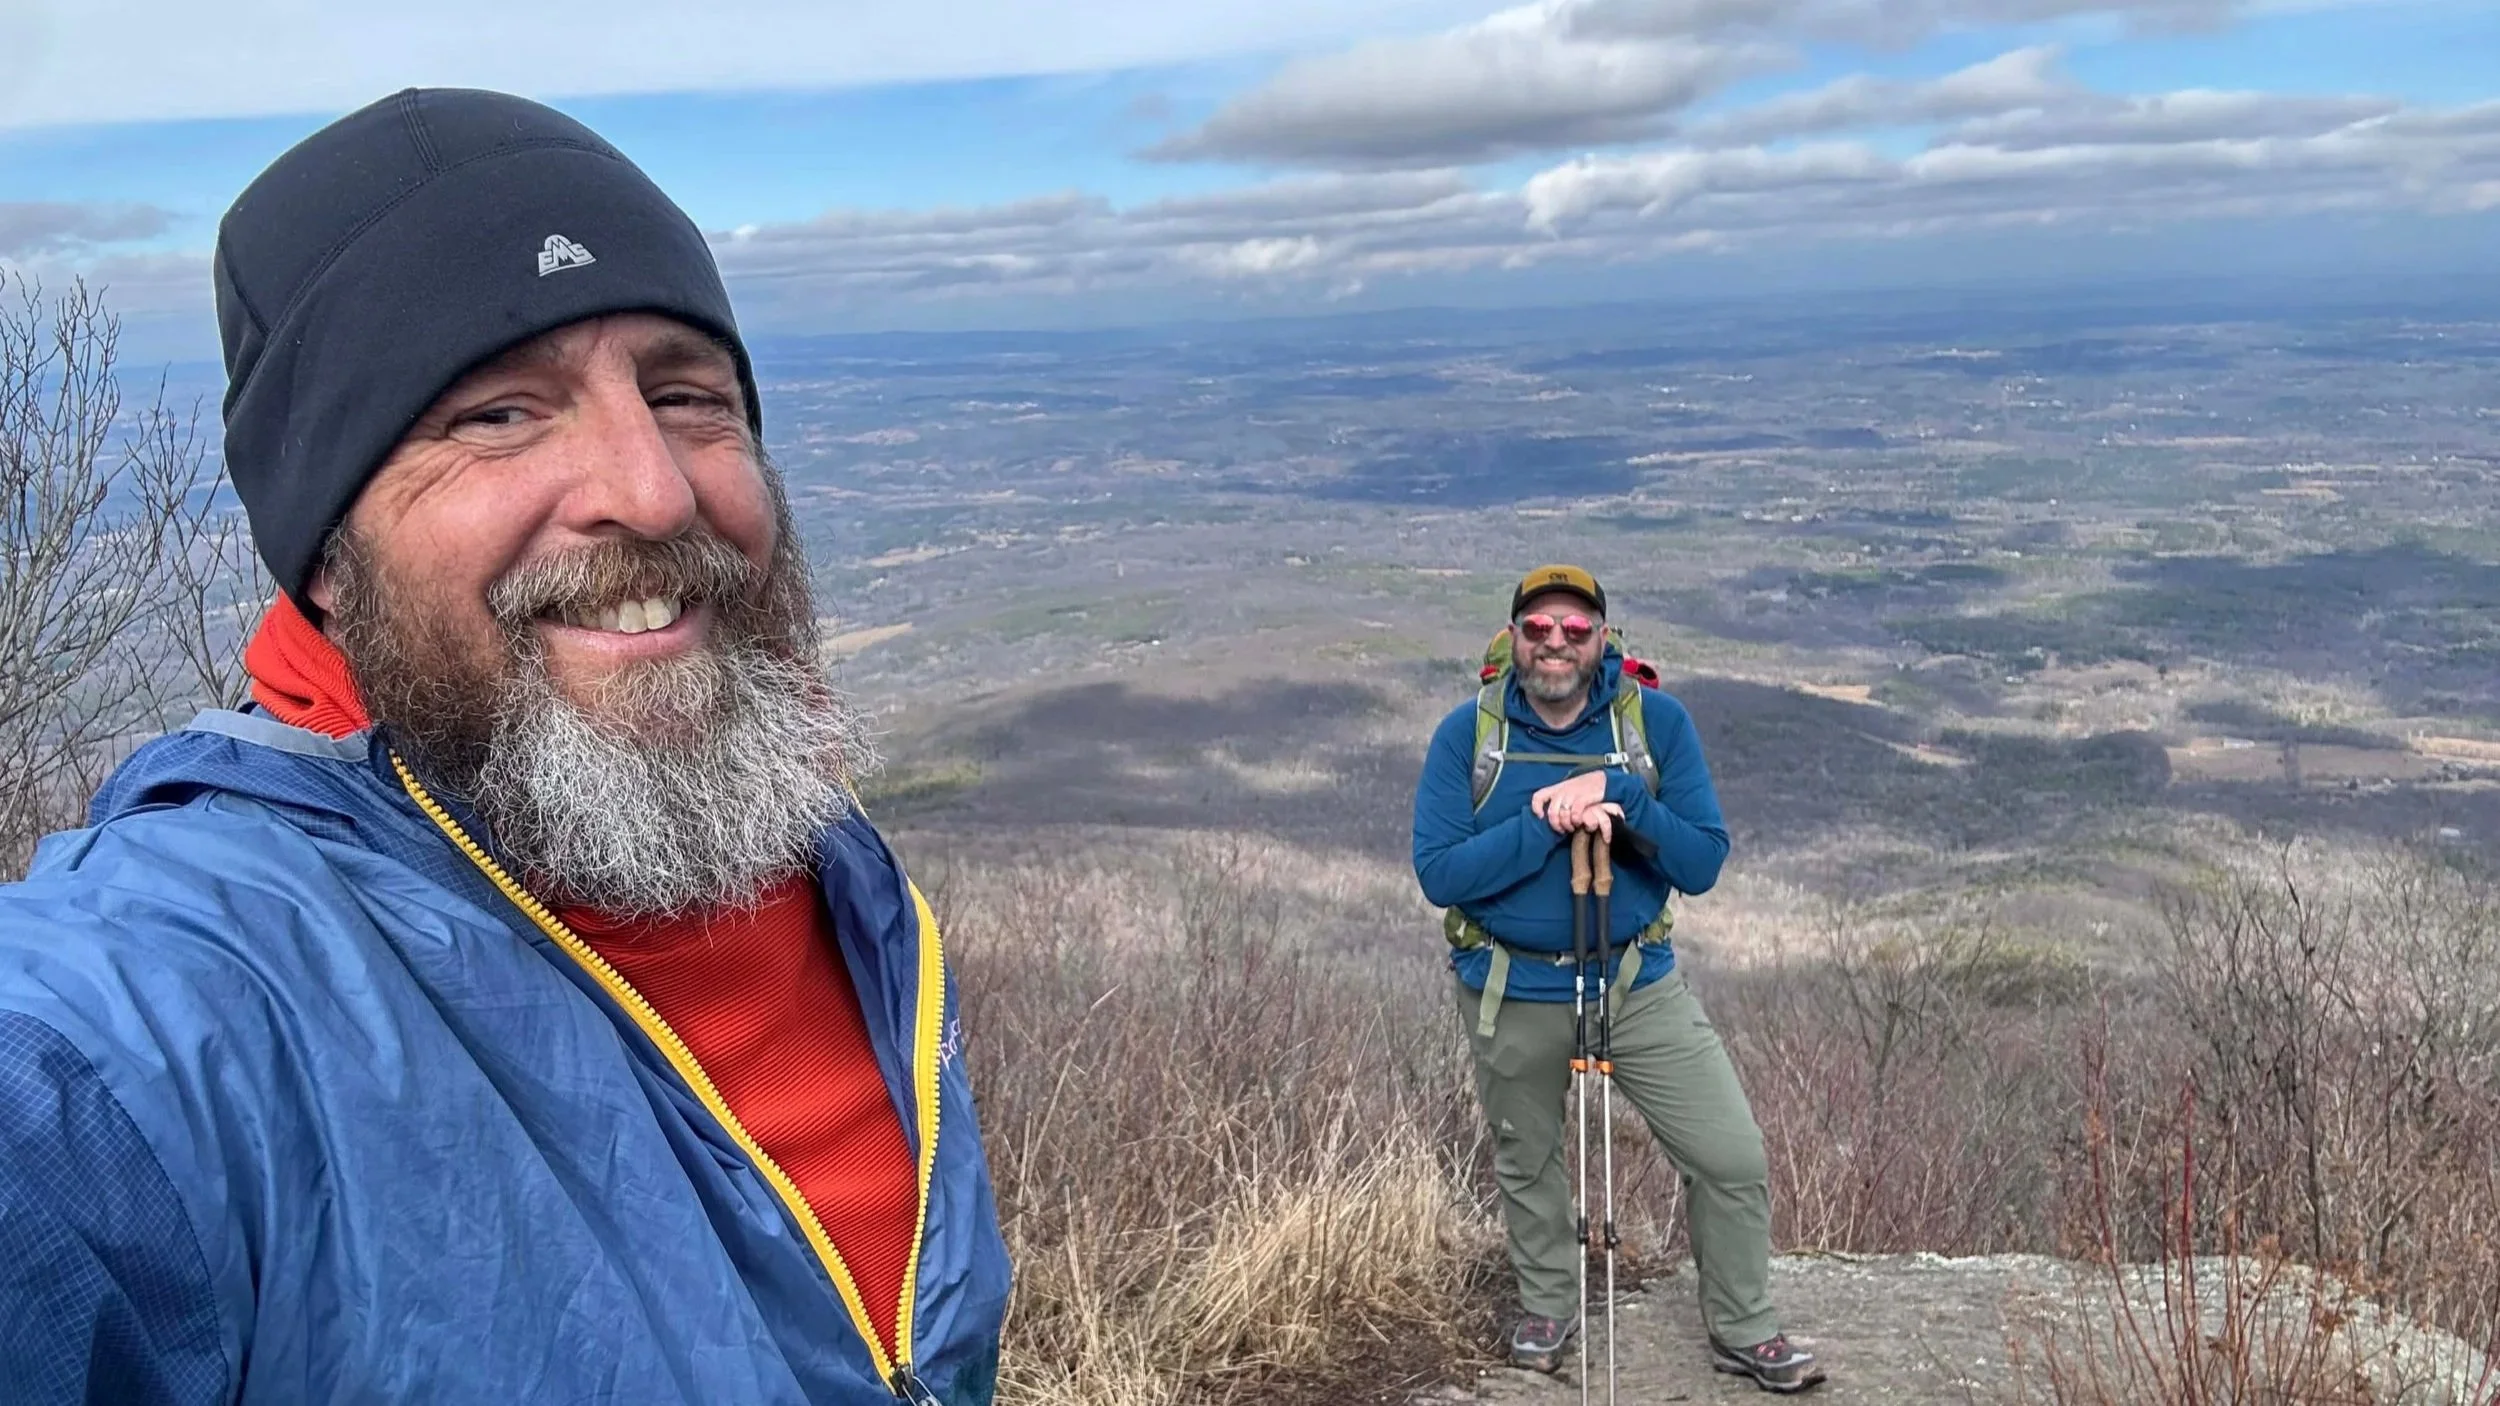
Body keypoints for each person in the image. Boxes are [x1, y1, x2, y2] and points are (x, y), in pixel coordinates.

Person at [0, 89, 1009, 1404]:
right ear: (323, 554)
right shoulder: (175, 1008)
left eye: (685, 394)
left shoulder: (817, 861)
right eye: (496, 414)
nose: (653, 489)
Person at [1411, 565, 1821, 1394]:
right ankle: (1547, 1305)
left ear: (1603, 638)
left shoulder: (1654, 724)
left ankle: (1743, 1324)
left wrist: (1621, 794)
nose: (1555, 643)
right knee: (1528, 1156)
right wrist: (1546, 820)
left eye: (1574, 628)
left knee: (1729, 1154)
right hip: (1510, 985)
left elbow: (1700, 861)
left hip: (1634, 982)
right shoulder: (1470, 734)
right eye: (1538, 628)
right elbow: (1441, 873)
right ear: (1513, 639)